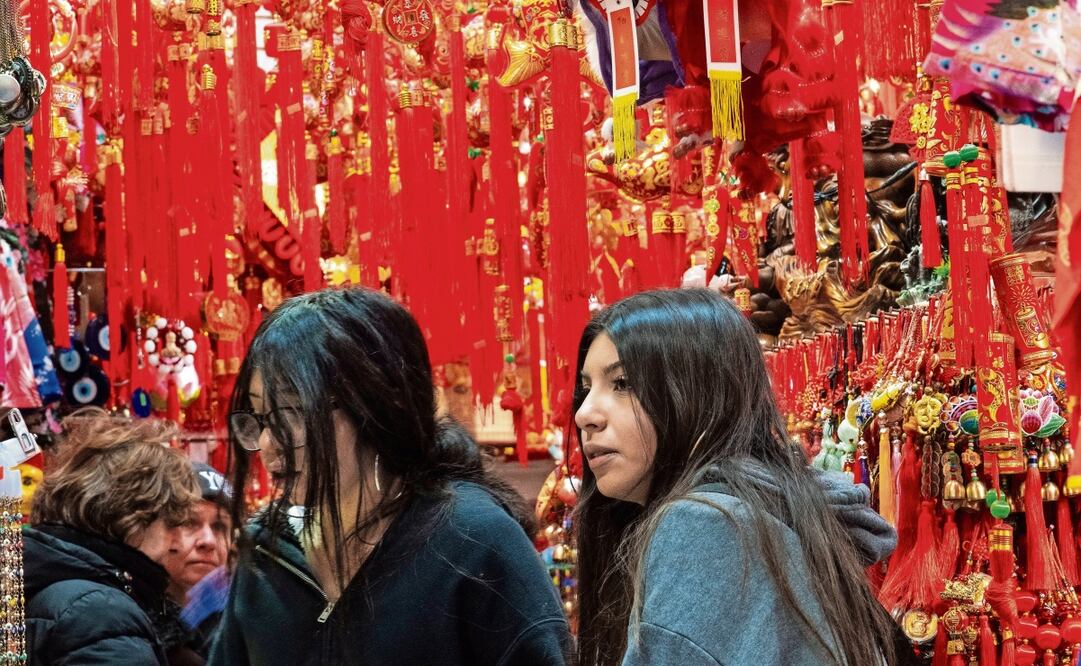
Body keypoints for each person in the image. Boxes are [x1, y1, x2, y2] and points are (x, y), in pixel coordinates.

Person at [210, 287, 571, 665]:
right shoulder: (267, 553)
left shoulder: (474, 541)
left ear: (374, 406)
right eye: (260, 416)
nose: (268, 443)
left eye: (293, 411)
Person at [572, 289, 907, 666]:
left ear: (701, 392)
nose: (585, 414)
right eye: (586, 388)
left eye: (623, 383)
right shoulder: (767, 517)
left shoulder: (705, 525)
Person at [25, 414, 201, 665]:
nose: (177, 543)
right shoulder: (100, 611)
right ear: (133, 517)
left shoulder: (53, 583)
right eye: (171, 524)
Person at [162, 462, 234, 656]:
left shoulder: (249, 622)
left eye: (219, 527)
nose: (208, 541)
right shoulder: (129, 619)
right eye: (190, 522)